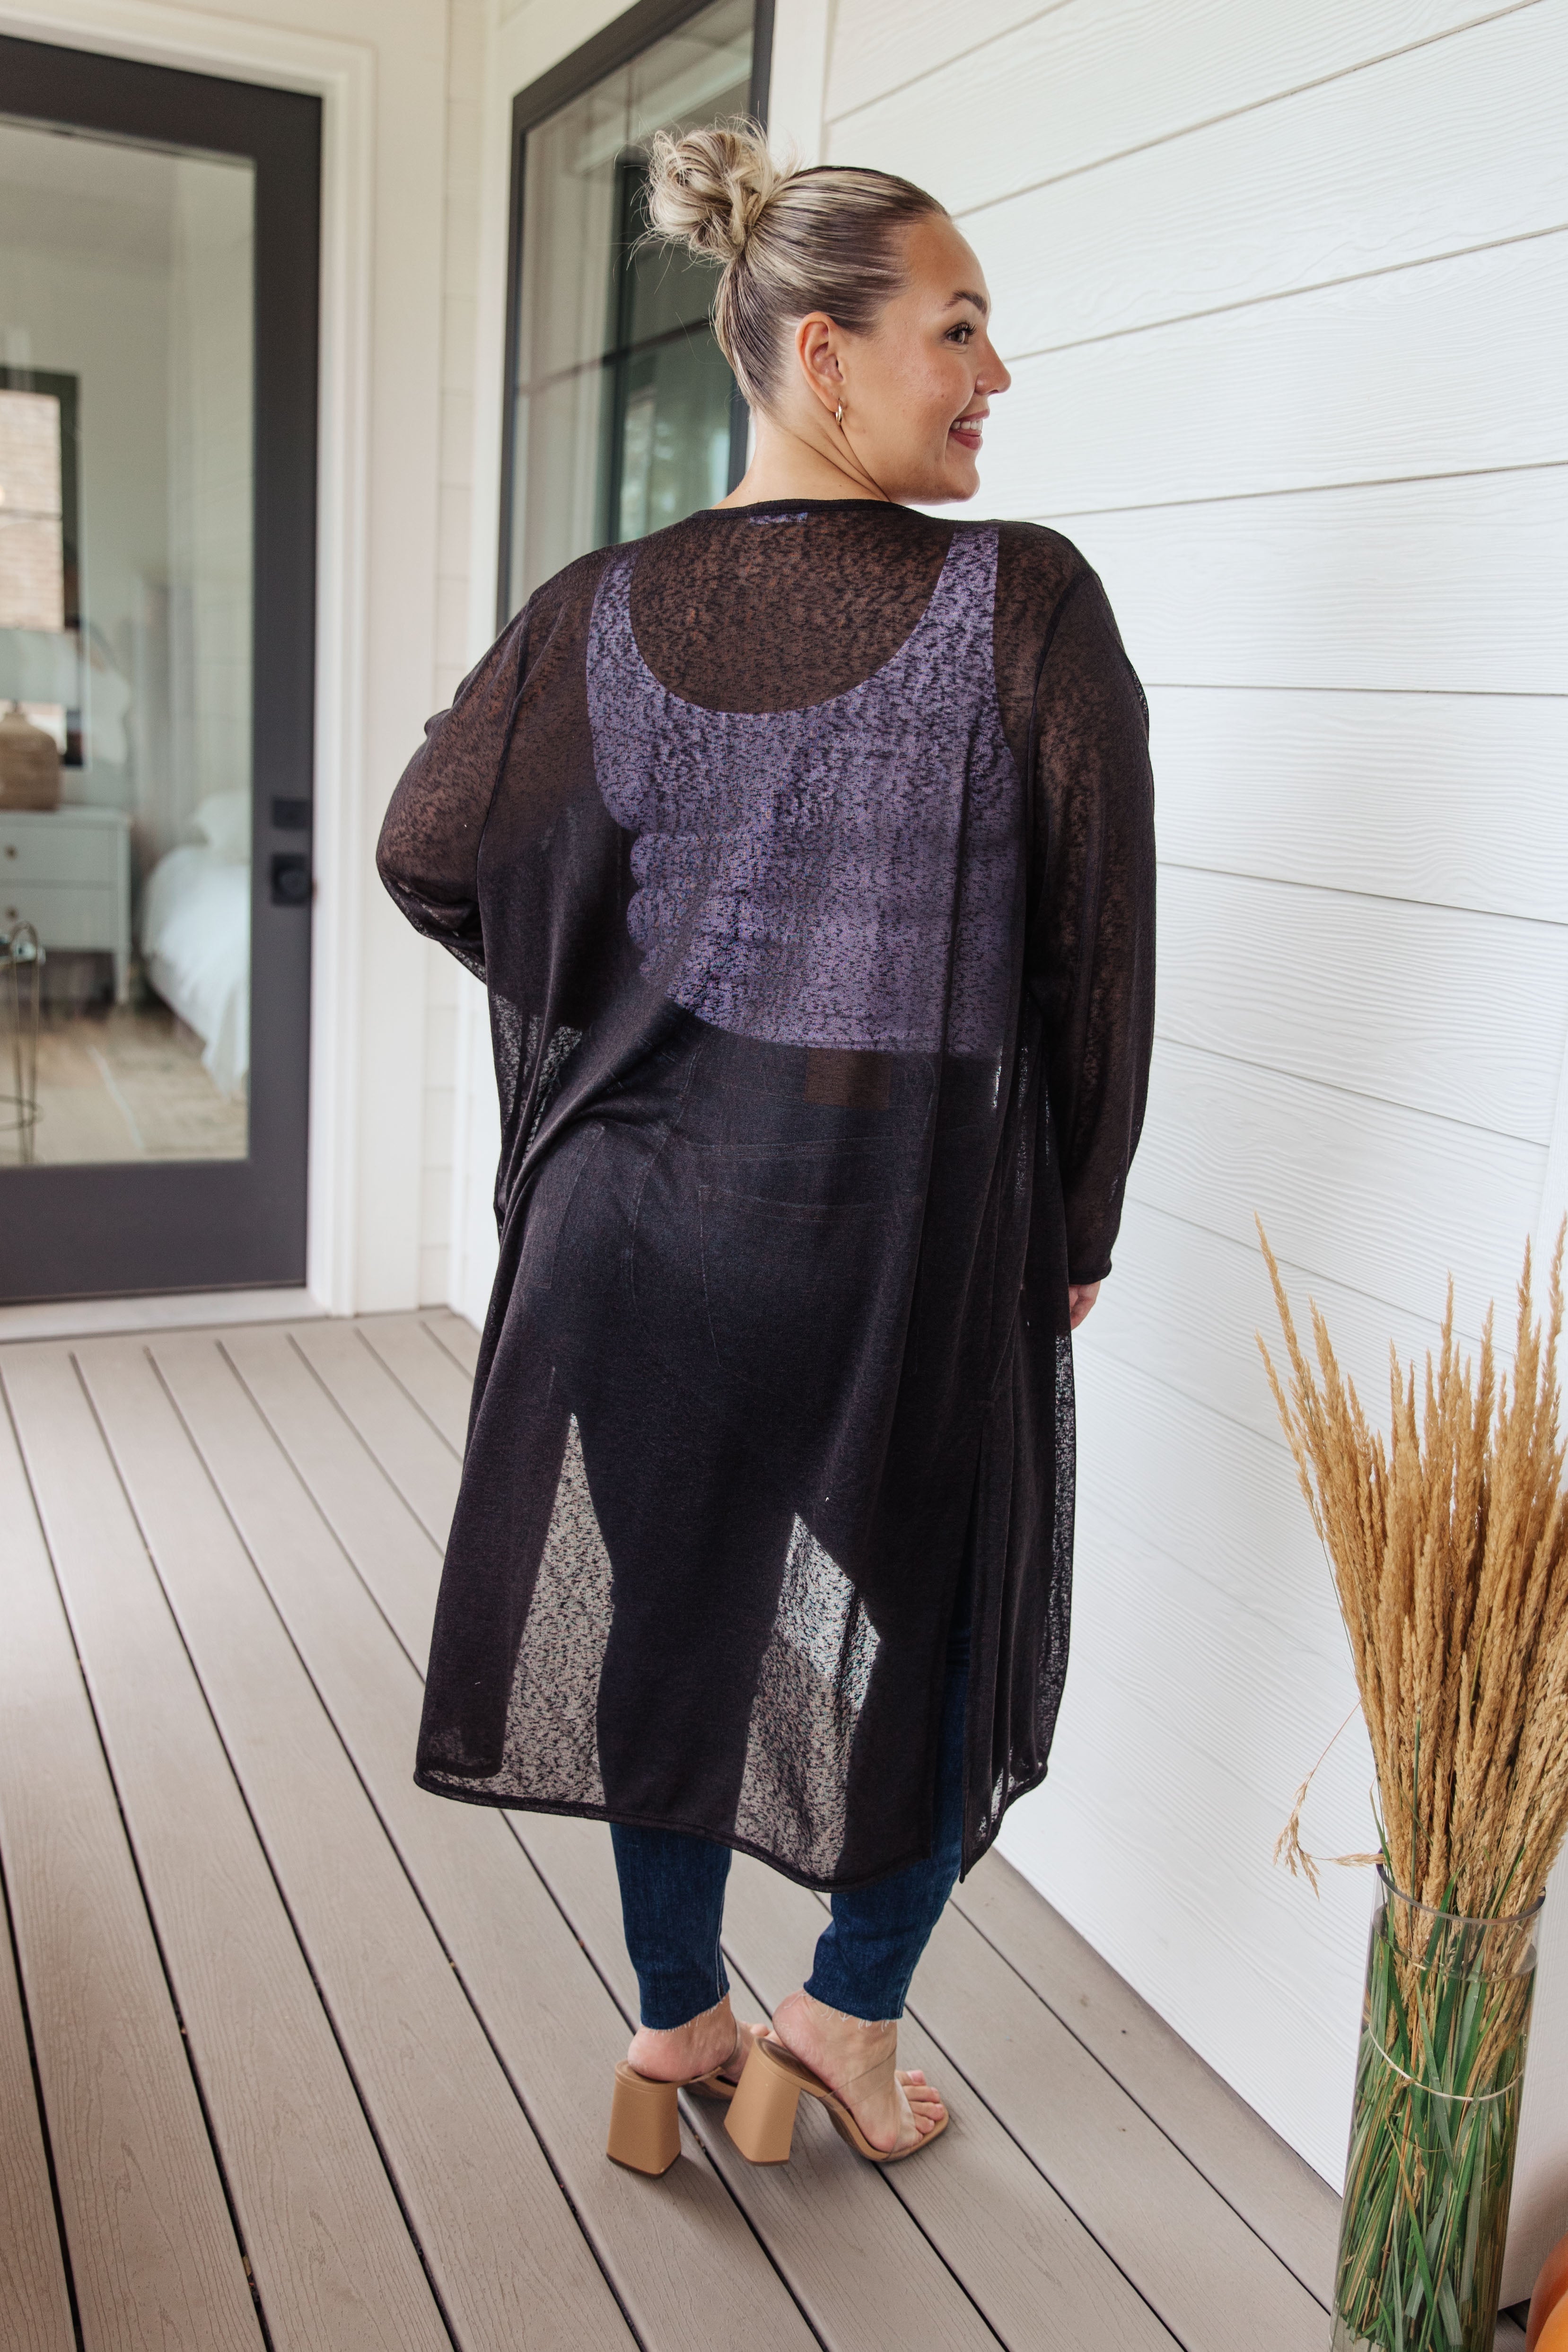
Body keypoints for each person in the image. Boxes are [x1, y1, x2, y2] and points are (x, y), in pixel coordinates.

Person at [377, 120, 1155, 2172]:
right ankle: (842, 2019)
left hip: (627, 1225)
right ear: (822, 353)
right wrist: (1074, 1222)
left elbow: (427, 852)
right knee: (951, 1632)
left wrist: (611, 987)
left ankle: (675, 2024)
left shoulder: (591, 607)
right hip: (897, 1237)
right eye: (957, 327)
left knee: (676, 1617)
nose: (992, 371)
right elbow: (1092, 956)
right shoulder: (1023, 600)